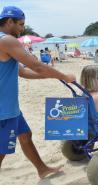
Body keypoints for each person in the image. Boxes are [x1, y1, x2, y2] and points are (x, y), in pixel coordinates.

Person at [0, 6, 76, 178]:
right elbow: (36, 65)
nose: (22, 29)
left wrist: (52, 77)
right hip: (4, 111)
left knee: (25, 135)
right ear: (9, 21)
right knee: (1, 151)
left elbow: (23, 72)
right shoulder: (7, 41)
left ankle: (42, 169)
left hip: (11, 107)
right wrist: (64, 76)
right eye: (20, 24)